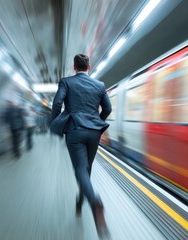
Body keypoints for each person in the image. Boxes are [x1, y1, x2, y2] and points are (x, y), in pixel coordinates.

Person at [51, 54, 112, 236]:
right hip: (94, 133)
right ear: (89, 67)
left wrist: (55, 122)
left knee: (80, 169)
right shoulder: (100, 85)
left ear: (74, 67)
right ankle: (80, 200)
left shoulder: (66, 82)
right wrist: (95, 122)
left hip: (75, 130)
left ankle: (94, 201)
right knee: (86, 169)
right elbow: (108, 109)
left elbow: (57, 103)